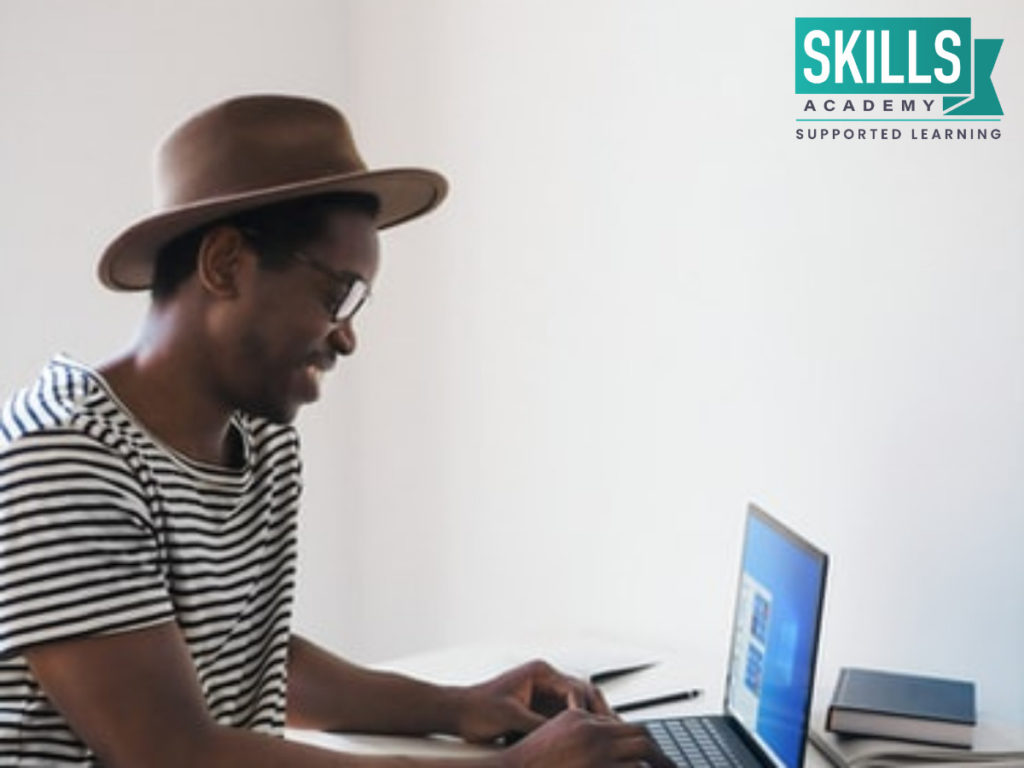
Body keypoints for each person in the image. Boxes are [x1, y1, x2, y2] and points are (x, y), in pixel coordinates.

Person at [0, 94, 670, 767]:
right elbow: (170, 753)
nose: (347, 338)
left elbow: (248, 650)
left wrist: (458, 705)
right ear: (225, 263)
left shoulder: (258, 437)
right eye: (336, 295)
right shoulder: (62, 461)